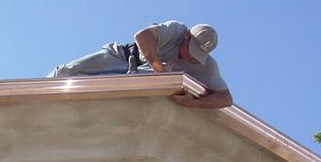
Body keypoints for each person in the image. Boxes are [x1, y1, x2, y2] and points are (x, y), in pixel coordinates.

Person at [49, 20, 233, 109]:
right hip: (122, 57)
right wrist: (158, 68)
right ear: (187, 37)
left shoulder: (206, 65)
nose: (189, 57)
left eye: (196, 55)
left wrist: (194, 103)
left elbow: (225, 99)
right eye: (190, 49)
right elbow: (142, 36)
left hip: (141, 77)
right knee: (65, 74)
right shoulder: (176, 30)